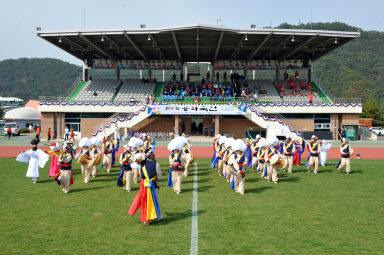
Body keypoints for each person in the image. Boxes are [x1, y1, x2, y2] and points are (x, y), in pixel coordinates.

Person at [128, 150, 162, 225]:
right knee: (155, 201)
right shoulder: (156, 164)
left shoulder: (141, 165)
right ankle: (156, 217)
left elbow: (141, 175)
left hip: (144, 186)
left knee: (145, 202)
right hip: (153, 185)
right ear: (151, 156)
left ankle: (146, 220)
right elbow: (159, 176)